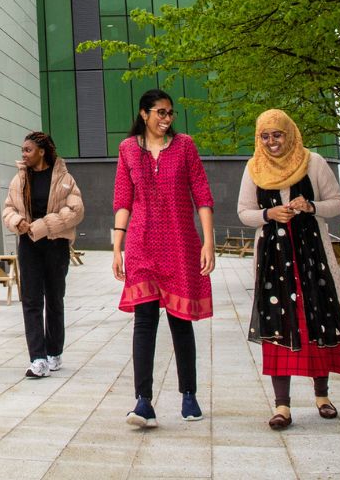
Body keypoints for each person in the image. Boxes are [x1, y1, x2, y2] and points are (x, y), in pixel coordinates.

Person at [237, 108, 340, 430]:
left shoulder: (313, 162)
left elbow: (338, 202)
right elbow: (244, 212)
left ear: (289, 133)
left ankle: (322, 396)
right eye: (265, 136)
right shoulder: (254, 168)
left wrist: (312, 207)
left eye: (277, 134)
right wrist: (268, 214)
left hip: (310, 256)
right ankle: (282, 405)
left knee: (317, 319)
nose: (272, 142)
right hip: (274, 260)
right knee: (278, 325)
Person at [113, 88, 215, 427]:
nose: (166, 118)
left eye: (170, 112)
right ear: (144, 114)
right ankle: (143, 402)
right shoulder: (128, 149)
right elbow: (123, 199)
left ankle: (189, 394)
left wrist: (208, 242)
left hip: (179, 241)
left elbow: (202, 193)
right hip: (141, 243)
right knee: (144, 321)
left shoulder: (184, 145)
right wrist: (117, 247)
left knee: (180, 320)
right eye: (160, 112)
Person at [2, 131, 85, 378]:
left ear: (41, 151)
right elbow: (7, 208)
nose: (23, 155)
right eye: (22, 151)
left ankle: (54, 352)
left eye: (27, 150)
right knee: (31, 300)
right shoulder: (19, 179)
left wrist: (42, 226)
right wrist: (17, 222)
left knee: (55, 298)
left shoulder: (64, 178)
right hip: (28, 244)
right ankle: (37, 358)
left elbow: (76, 210)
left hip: (55, 244)